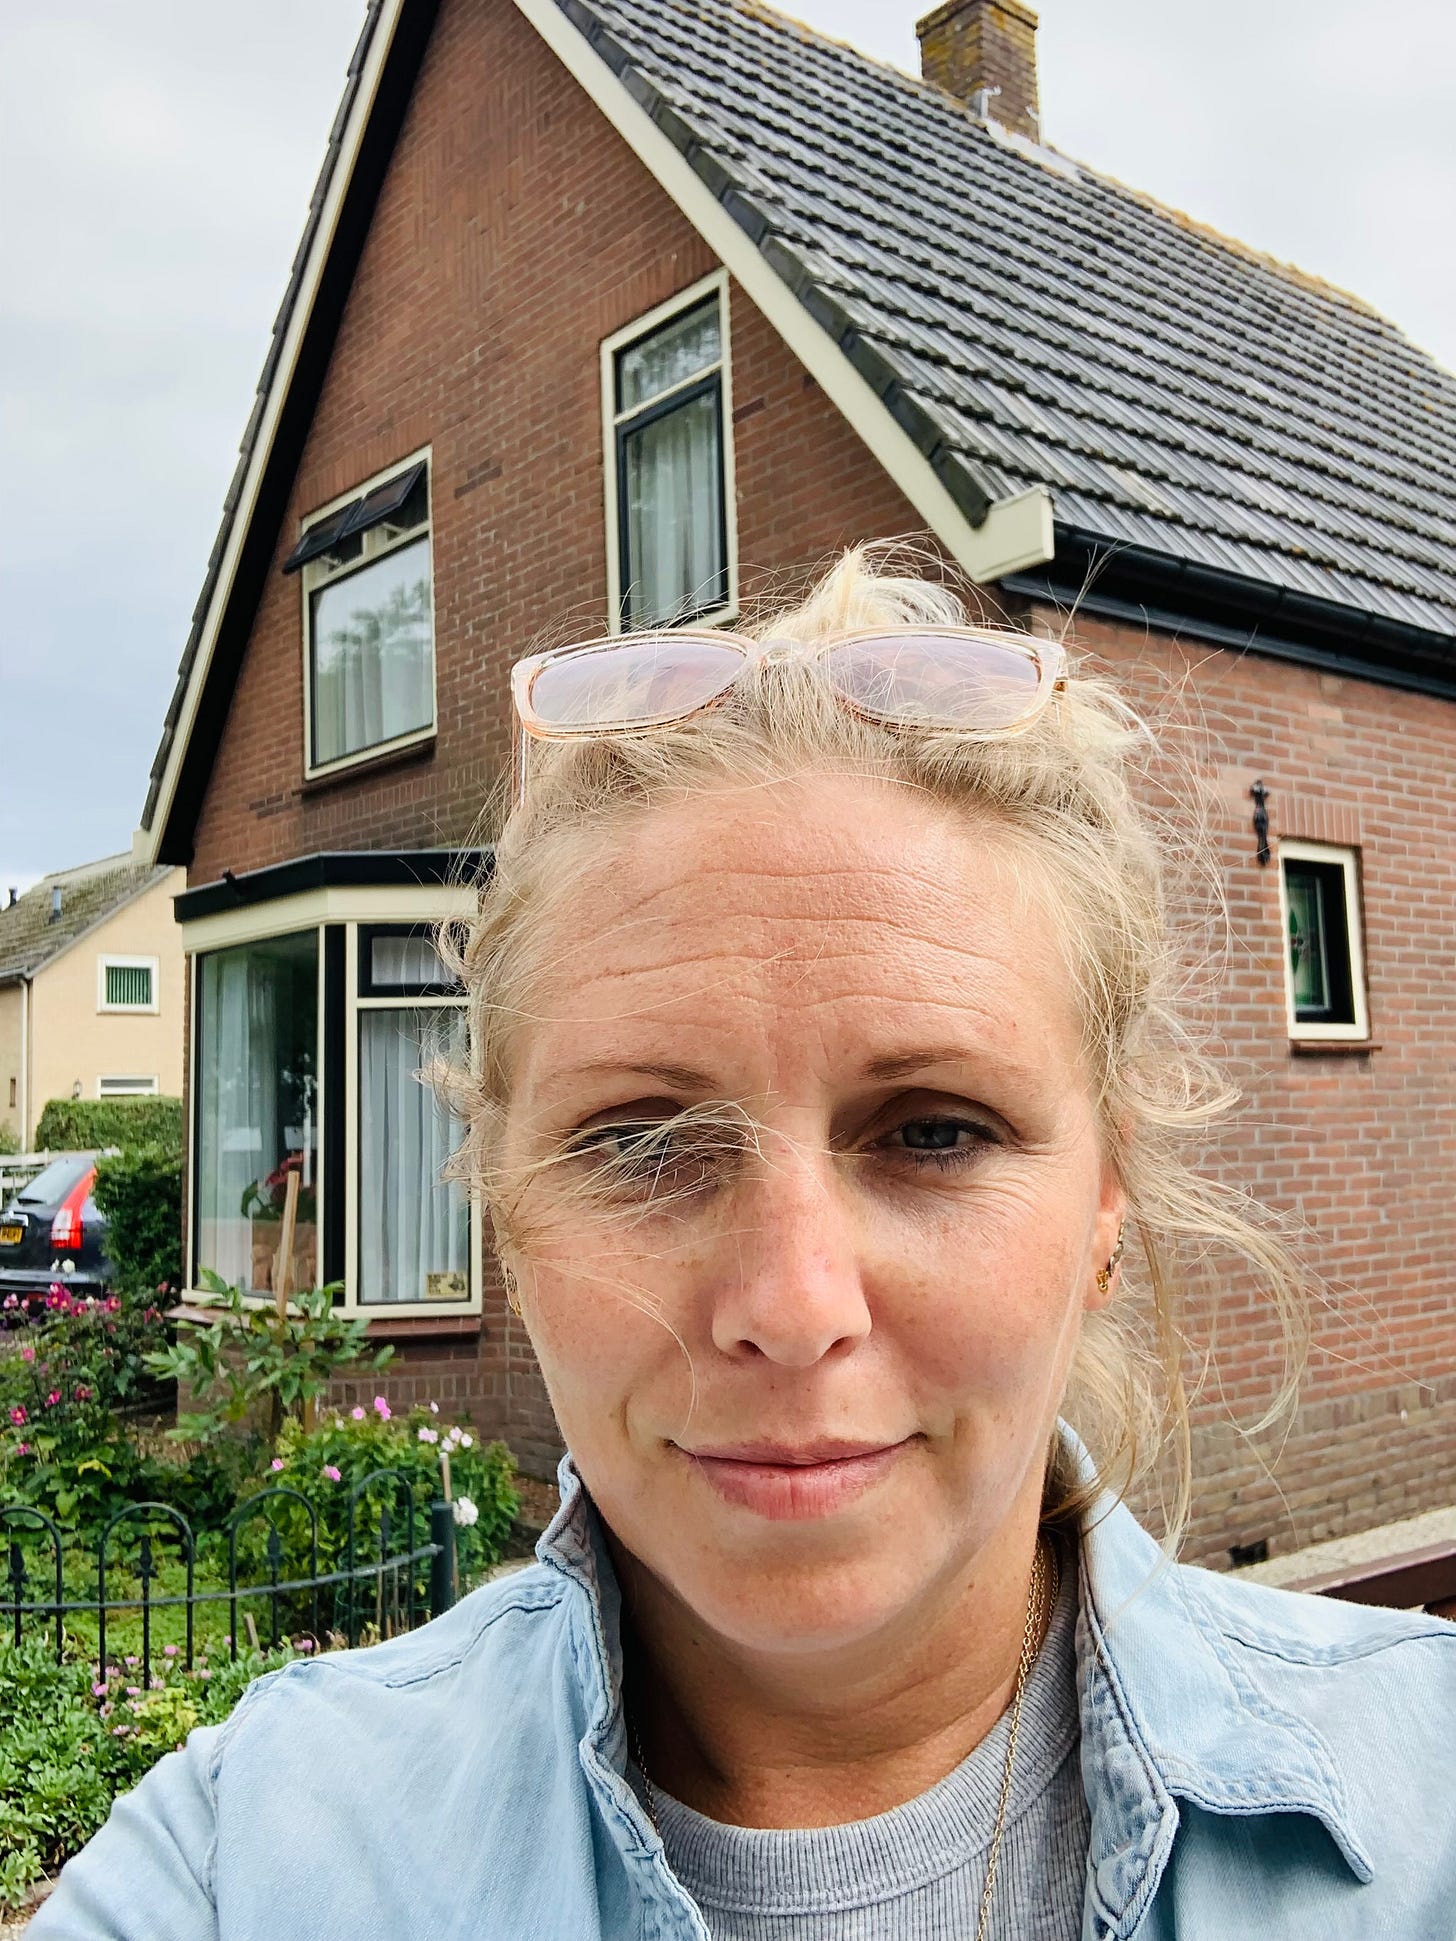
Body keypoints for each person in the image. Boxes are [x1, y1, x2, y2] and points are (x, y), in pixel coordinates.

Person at [32, 547, 1456, 1940]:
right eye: (643, 1145)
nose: (790, 1304)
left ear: (1106, 1201)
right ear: (508, 1215)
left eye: (934, 1132)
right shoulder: (243, 1866)